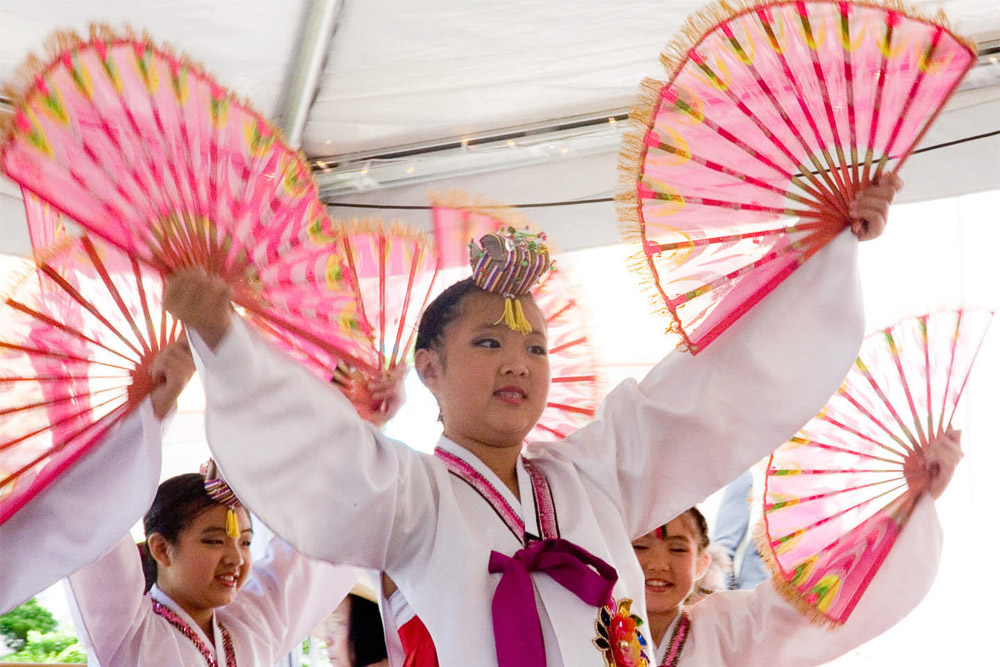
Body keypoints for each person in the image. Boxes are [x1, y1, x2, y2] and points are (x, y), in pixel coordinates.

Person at [165, 179, 902, 666]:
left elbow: (710, 383)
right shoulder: (415, 495)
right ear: (429, 366)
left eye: (535, 347)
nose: (518, 362)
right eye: (488, 342)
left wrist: (820, 255)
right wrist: (224, 337)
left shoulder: (596, 471)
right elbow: (321, 456)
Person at [42, 341, 363, 666]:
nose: (236, 557)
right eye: (213, 540)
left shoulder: (254, 624)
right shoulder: (129, 632)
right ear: (162, 548)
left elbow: (326, 536)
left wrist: (352, 428)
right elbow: (97, 509)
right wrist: (155, 411)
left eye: (246, 542)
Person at [632, 429, 960, 666]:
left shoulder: (727, 626)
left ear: (702, 563)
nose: (659, 564)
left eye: (678, 550)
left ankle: (749, 473)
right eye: (640, 548)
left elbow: (810, 599)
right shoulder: (588, 619)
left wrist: (912, 501)